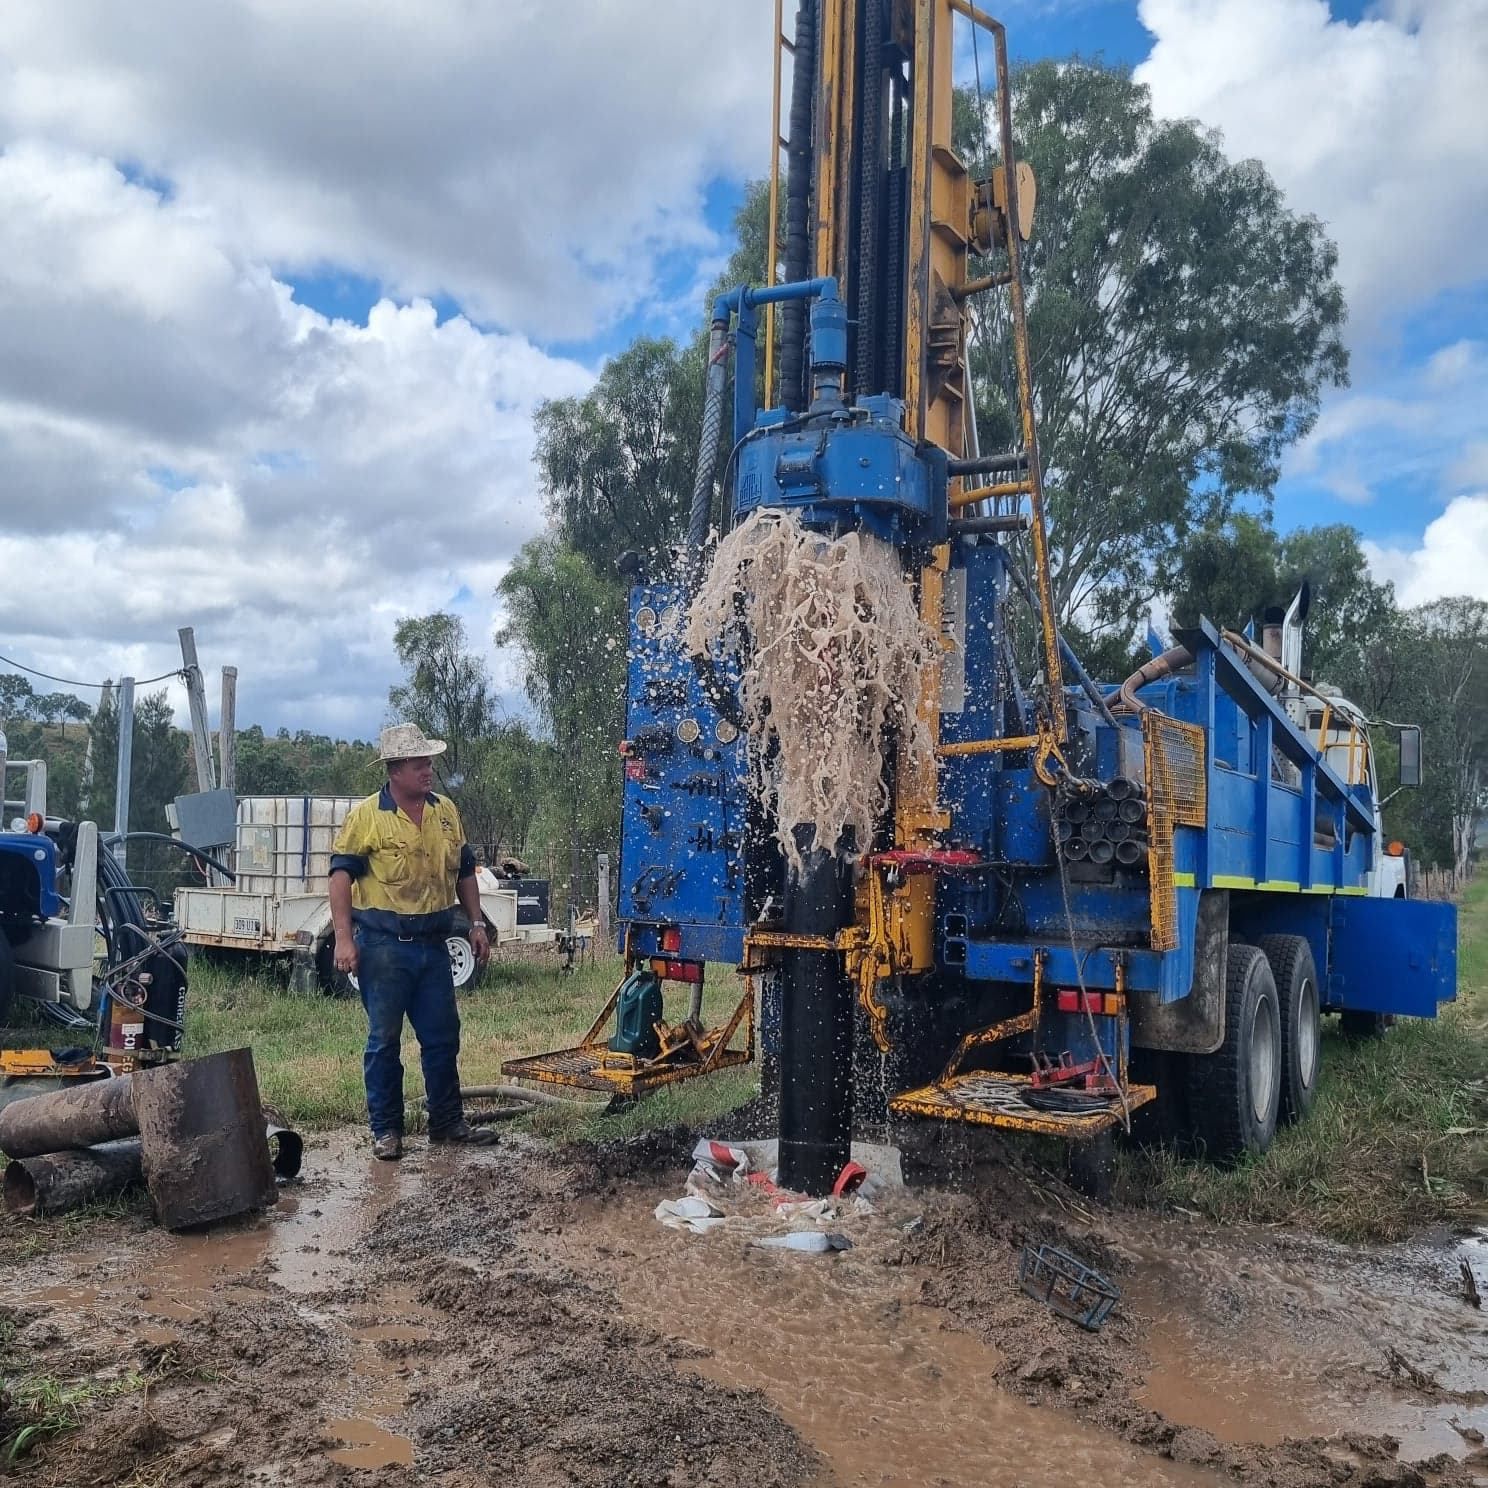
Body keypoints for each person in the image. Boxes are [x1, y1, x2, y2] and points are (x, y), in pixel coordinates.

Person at [328, 723, 497, 1159]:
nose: (428, 770)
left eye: (429, 762)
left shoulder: (445, 811)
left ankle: (447, 1123)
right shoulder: (367, 816)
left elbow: (464, 871)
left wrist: (476, 924)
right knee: (384, 1040)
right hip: (383, 947)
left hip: (433, 945)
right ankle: (386, 1131)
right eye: (420, 763)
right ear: (395, 769)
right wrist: (344, 939)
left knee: (442, 1037)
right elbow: (340, 876)